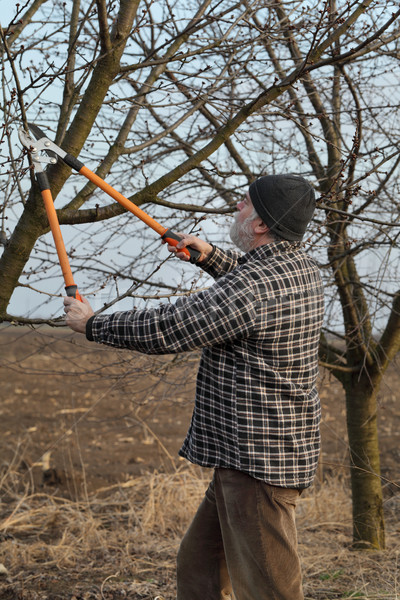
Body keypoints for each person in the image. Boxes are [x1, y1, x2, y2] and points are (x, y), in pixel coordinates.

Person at [64, 174, 324, 600]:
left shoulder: (253, 288)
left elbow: (171, 327)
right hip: (250, 454)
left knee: (269, 590)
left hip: (256, 464)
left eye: (244, 204)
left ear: (260, 225)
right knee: (199, 566)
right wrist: (209, 257)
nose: (235, 209)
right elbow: (252, 284)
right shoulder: (297, 266)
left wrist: (92, 324)